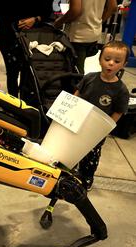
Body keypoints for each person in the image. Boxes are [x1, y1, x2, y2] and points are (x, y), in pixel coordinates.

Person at [74, 41, 130, 190]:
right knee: (73, 148)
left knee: (91, 156)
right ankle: (70, 174)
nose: (111, 63)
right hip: (79, 121)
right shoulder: (89, 78)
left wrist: (105, 128)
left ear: (124, 64)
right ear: (100, 60)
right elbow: (77, 94)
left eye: (117, 61)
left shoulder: (121, 90)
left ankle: (86, 178)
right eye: (107, 59)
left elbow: (119, 111)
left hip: (97, 129)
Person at [0, 0, 52, 96]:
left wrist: (36, 19)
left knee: (29, 71)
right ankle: (14, 105)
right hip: (7, 31)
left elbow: (48, 10)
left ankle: (27, 103)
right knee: (12, 72)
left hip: (32, 34)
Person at [54, 0, 118, 74]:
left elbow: (75, 10)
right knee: (77, 69)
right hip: (94, 33)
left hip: (77, 35)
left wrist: (58, 22)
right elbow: (113, 7)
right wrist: (98, 21)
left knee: (75, 72)